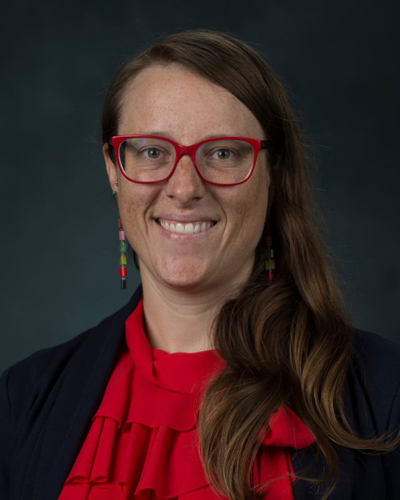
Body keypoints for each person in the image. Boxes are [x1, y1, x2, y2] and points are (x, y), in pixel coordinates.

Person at [1, 29, 399, 500]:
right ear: (113, 168)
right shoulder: (23, 398)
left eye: (223, 153)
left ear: (273, 171)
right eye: (152, 151)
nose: (185, 187)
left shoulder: (384, 390)